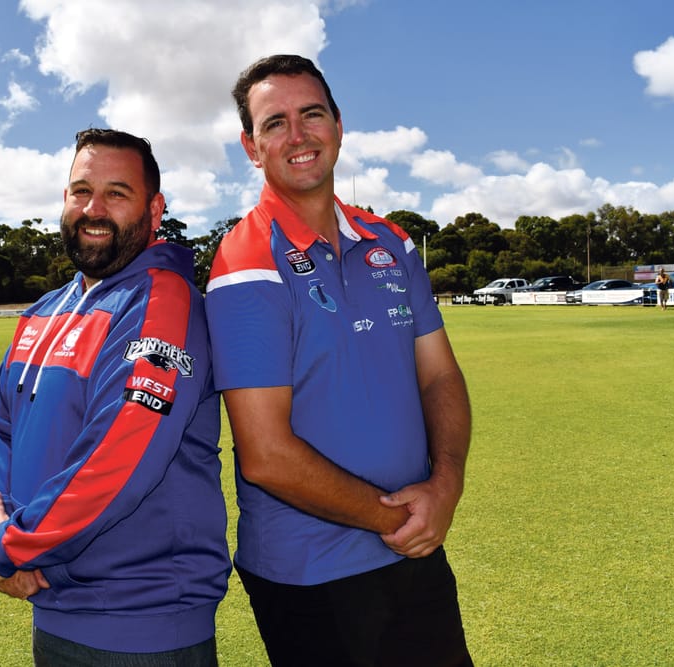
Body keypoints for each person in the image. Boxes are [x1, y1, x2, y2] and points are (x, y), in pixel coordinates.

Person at [205, 55, 473, 666]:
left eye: (312, 114)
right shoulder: (246, 261)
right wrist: (402, 517)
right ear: (251, 146)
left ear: (339, 125)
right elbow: (267, 456)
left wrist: (446, 483)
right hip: (312, 573)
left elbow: (439, 375)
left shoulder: (391, 242)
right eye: (275, 123)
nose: (297, 136)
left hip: (414, 548)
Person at [0, 128, 230, 666]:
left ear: (154, 209)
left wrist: (6, 547)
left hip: (146, 624)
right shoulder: (44, 311)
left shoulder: (165, 301)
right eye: (80, 190)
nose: (94, 208)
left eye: (117, 192)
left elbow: (121, 455)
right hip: (53, 605)